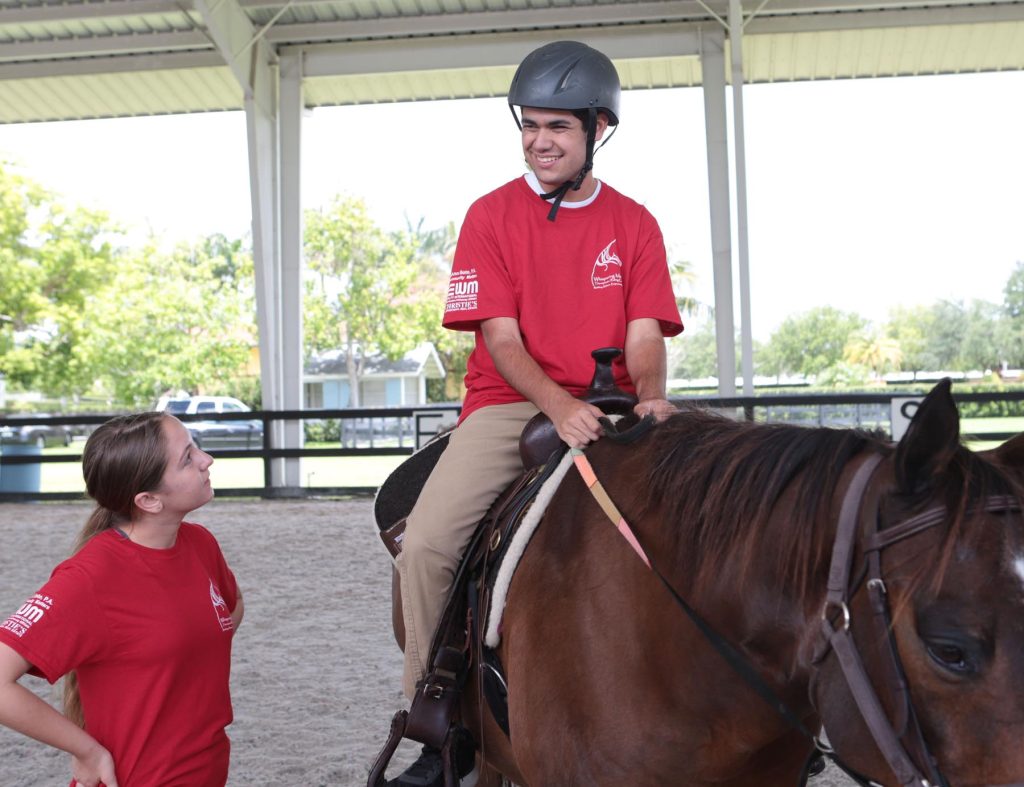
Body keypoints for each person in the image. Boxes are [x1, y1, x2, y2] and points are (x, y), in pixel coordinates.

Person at [390, 40, 684, 786]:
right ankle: (438, 725)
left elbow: (644, 334)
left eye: (557, 126)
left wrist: (651, 394)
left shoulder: (635, 223)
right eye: (530, 125)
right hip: (510, 403)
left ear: (598, 130)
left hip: (615, 406)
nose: (540, 141)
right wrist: (560, 404)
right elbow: (501, 339)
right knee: (425, 545)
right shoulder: (489, 216)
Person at [0, 411, 243, 787]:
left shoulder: (200, 543)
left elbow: (229, 611)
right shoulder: (89, 578)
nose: (206, 460)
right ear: (149, 500)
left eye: (195, 447)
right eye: (187, 458)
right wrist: (86, 750)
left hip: (207, 770)